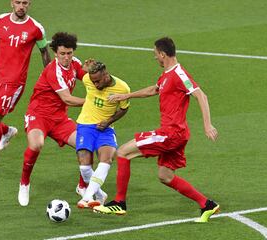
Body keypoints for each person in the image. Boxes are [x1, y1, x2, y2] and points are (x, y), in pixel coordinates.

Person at [93, 37, 220, 223]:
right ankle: (207, 204)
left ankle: (119, 203)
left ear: (162, 54)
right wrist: (127, 95)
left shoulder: (179, 74)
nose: (155, 59)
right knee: (165, 176)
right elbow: (153, 90)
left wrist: (207, 124)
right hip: (176, 134)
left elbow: (201, 96)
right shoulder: (167, 74)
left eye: (156, 55)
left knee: (122, 152)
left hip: (171, 133)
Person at [18, 32, 93, 206]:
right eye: (62, 54)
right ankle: (24, 183)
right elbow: (67, 98)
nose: (66, 57)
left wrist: (95, 72)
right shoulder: (53, 71)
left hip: (59, 118)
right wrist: (92, 102)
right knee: (36, 144)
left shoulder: (75, 64)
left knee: (86, 144)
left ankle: (82, 187)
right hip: (39, 115)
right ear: (55, 54)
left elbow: (88, 79)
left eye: (69, 53)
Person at [0, 0, 51, 165]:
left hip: (14, 82)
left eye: (25, 3)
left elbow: (44, 52)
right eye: (18, 2)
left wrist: (50, 78)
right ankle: (7, 131)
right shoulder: (1, 20)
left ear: (29, 4)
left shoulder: (36, 28)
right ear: (12, 3)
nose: (21, 6)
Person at [75, 61, 130, 209]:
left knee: (106, 160)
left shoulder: (122, 88)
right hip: (85, 125)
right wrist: (83, 67)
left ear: (106, 75)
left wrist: (109, 121)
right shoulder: (88, 79)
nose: (96, 85)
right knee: (85, 168)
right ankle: (99, 195)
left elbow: (124, 109)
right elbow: (78, 71)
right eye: (93, 81)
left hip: (105, 129)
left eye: (98, 81)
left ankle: (87, 197)